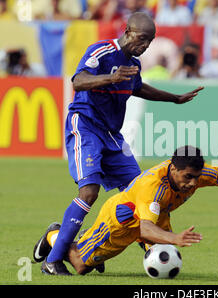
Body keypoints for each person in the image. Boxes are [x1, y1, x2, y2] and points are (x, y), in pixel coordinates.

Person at [35, 12, 204, 275]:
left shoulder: (133, 64)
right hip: (86, 126)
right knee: (89, 192)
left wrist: (175, 99)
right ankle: (52, 261)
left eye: (150, 41)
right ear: (127, 32)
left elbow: (140, 89)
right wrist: (109, 78)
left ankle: (89, 246)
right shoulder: (101, 52)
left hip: (113, 135)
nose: (145, 45)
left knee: (141, 192)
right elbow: (78, 81)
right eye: (142, 39)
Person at [34, 146, 218, 275]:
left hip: (155, 217)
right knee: (80, 265)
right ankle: (54, 235)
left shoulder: (199, 174)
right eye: (188, 177)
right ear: (173, 169)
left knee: (163, 257)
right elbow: (144, 227)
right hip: (123, 219)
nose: (192, 183)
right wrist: (175, 238)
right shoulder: (153, 187)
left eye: (196, 178)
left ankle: (87, 238)